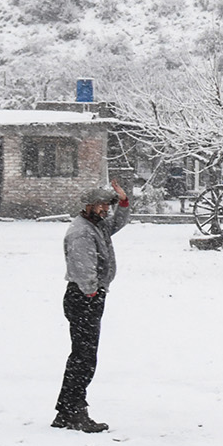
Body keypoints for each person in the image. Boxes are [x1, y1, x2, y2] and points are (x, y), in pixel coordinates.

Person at [53, 182, 129, 432]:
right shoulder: (81, 232)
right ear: (89, 206)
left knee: (83, 357)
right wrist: (92, 292)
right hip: (83, 298)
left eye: (107, 205)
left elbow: (116, 224)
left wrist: (123, 202)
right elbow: (83, 267)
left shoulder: (96, 225)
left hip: (89, 296)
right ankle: (73, 411)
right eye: (102, 205)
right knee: (83, 359)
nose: (106, 209)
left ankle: (66, 411)